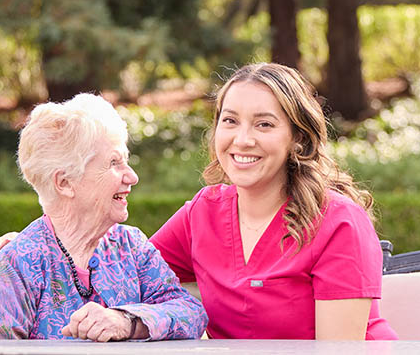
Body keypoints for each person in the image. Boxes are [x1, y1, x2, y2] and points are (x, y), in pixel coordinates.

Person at [148, 63, 397, 340]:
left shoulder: (339, 221)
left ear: (298, 138)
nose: (242, 140)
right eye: (230, 121)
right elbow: (129, 273)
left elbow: (336, 354)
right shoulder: (202, 212)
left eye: (263, 124)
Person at [0, 93, 207, 341]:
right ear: (65, 183)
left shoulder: (131, 247)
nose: (132, 177)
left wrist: (128, 322)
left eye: (126, 161)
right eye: (113, 163)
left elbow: (190, 313)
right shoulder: (16, 266)